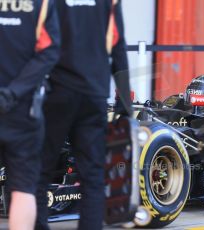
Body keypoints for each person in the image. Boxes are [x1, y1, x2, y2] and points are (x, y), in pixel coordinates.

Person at [34, 0, 132, 229]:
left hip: (57, 93)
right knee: (93, 177)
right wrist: (125, 104)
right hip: (93, 94)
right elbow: (118, 46)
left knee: (39, 173)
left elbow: (36, 39)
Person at [0, 0, 60, 229]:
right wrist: (14, 92)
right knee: (24, 189)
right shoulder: (42, 3)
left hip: (21, 109)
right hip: (22, 109)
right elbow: (49, 52)